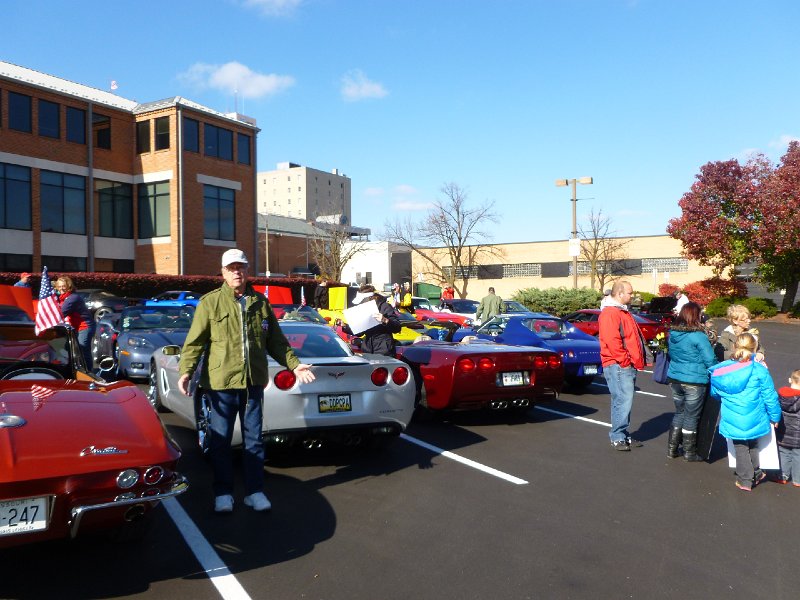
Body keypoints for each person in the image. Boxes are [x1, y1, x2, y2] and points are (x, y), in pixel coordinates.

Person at [178, 249, 315, 513]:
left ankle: (255, 492)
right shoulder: (210, 303)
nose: (237, 272)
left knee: (254, 439)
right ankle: (223, 493)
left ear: (247, 270)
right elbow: (195, 342)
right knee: (220, 440)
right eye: (231, 268)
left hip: (252, 383)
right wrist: (186, 371)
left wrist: (295, 365)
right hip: (220, 383)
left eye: (241, 267)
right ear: (223, 272)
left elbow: (275, 341)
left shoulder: (260, 303)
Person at [709, 332, 781, 492]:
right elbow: (770, 395)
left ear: (735, 346)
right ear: (754, 348)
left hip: (733, 414)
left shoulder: (723, 370)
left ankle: (745, 479)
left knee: (740, 447)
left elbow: (715, 393)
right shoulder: (759, 370)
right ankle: (755, 472)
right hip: (755, 414)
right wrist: (775, 416)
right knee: (753, 443)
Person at [665, 302, 718, 461]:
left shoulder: (673, 333)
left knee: (679, 413)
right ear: (695, 315)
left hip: (675, 378)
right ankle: (689, 452)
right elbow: (710, 360)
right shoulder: (698, 336)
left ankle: (672, 449)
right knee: (691, 416)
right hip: (694, 380)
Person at [598, 280, 646, 450]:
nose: (632, 296)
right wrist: (624, 360)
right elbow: (612, 340)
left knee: (623, 400)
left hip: (623, 363)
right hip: (618, 364)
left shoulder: (620, 312)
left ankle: (622, 435)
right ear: (619, 294)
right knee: (623, 400)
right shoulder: (611, 313)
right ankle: (618, 436)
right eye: (630, 293)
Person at [54, 276, 95, 369]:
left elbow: (61, 313)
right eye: (59, 286)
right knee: (67, 348)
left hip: (85, 326)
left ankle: (88, 372)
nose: (61, 288)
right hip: (75, 327)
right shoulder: (62, 298)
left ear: (69, 286)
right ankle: (72, 369)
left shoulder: (73, 298)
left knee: (83, 349)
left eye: (63, 286)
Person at [352, 284, 402, 356]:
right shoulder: (363, 309)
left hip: (384, 350)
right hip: (367, 350)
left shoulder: (385, 306)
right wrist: (345, 326)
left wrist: (385, 320)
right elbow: (359, 333)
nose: (361, 303)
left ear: (370, 298)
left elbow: (397, 328)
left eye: (362, 301)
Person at [776, 369, 800, 486]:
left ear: (790, 380)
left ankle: (783, 475)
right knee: (798, 455)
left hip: (783, 432)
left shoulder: (781, 396)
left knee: (784, 453)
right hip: (798, 435)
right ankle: (797, 479)